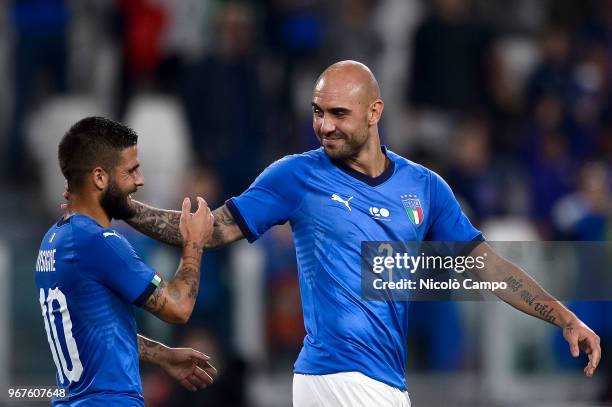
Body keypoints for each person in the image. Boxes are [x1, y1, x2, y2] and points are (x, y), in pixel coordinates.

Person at [120, 61, 599, 407]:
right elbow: (212, 230)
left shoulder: (425, 187)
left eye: (338, 114)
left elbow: (488, 266)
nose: (323, 126)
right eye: (317, 112)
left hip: (385, 384)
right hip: (333, 378)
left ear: (374, 111)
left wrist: (562, 316)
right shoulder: (295, 176)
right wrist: (123, 206)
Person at [37, 116, 216, 406]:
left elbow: (96, 329)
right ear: (99, 177)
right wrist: (193, 244)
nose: (140, 180)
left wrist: (163, 355)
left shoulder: (53, 241)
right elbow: (178, 306)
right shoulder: (100, 243)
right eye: (131, 171)